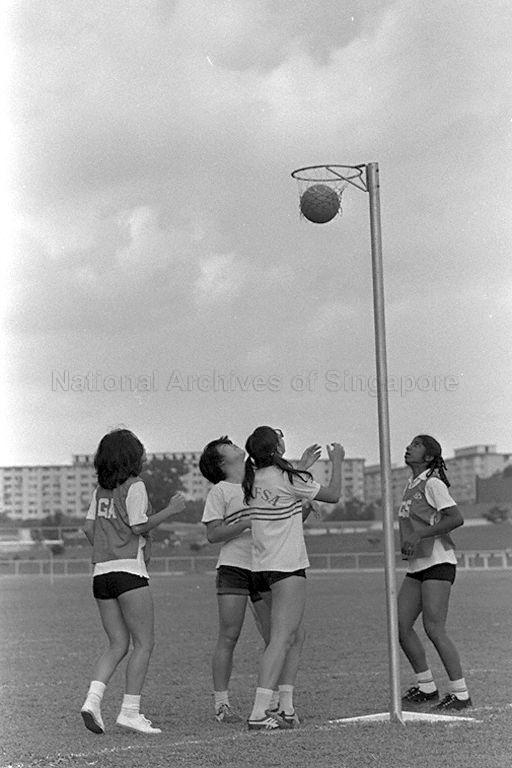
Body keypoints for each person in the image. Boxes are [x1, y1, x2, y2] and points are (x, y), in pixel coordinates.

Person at [199, 433, 321, 725]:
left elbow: (283, 518)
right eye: (226, 446)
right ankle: (222, 704)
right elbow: (213, 534)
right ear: (220, 461)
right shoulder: (221, 491)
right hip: (235, 566)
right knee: (229, 635)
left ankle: (278, 702)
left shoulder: (259, 479)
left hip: (265, 565)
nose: (234, 444)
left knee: (278, 635)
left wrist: (301, 502)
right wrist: (246, 520)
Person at [80, 428, 186, 735]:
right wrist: (171, 509)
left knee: (116, 644)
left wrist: (108, 546)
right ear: (131, 456)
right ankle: (130, 711)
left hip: (101, 574)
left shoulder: (100, 491)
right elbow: (139, 525)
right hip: (129, 572)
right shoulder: (135, 485)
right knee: (144, 643)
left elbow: (88, 528)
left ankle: (92, 701)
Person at [242, 426, 344, 731]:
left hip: (261, 570)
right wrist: (336, 460)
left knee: (294, 636)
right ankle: (260, 712)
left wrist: (299, 469)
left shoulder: (252, 481)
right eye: (279, 436)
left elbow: (285, 514)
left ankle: (285, 707)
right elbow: (334, 495)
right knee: (282, 638)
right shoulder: (290, 478)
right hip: (286, 569)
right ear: (276, 448)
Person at [398, 434, 472, 710]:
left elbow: (456, 518)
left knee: (434, 628)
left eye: (416, 445)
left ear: (428, 457)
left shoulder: (433, 483)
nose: (409, 447)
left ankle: (461, 693)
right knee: (401, 626)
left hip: (438, 563)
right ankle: (426, 686)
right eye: (410, 444)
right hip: (417, 565)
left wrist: (420, 535)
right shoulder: (411, 484)